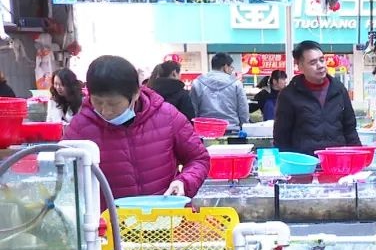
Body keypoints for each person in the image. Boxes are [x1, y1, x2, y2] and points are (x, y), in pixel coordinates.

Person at [65, 55, 210, 200]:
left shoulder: (167, 116)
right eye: (97, 102)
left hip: (164, 216)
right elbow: (64, 174)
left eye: (113, 104)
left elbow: (198, 158)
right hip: (109, 220)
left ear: (136, 94)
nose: (105, 111)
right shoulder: (79, 128)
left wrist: (184, 182)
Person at [273, 40, 361, 156]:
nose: (320, 65)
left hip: (338, 161)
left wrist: (359, 156)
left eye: (322, 60)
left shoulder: (339, 89)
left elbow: (350, 129)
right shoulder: (288, 95)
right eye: (313, 62)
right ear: (300, 66)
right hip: (305, 164)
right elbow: (281, 137)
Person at [190, 52, 249, 132]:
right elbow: (243, 110)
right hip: (231, 129)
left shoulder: (197, 83)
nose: (231, 70)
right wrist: (244, 126)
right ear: (225, 67)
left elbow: (193, 109)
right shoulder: (236, 84)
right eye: (231, 67)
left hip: (205, 130)